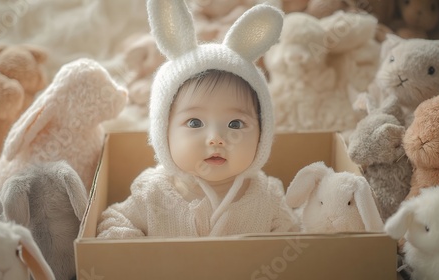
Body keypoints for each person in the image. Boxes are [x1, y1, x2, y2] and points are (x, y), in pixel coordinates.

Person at [96, 0, 299, 238]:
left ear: (262, 135)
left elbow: (293, 236)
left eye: (235, 124)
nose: (216, 139)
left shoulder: (267, 197)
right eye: (194, 123)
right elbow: (113, 223)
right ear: (164, 132)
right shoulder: (152, 193)